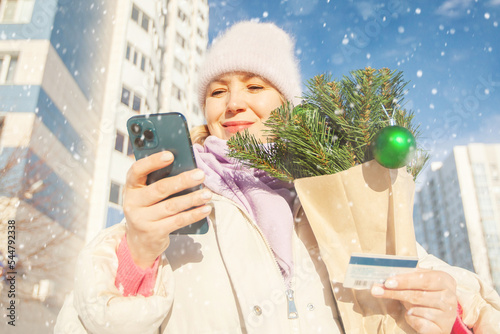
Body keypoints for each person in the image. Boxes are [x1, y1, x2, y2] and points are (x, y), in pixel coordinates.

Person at [55, 21, 500, 334]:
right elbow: (87, 320)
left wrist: (448, 320)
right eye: (216, 90)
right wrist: (139, 253)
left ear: (287, 104)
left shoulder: (340, 200)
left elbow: (459, 304)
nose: (232, 103)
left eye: (254, 86)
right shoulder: (169, 208)